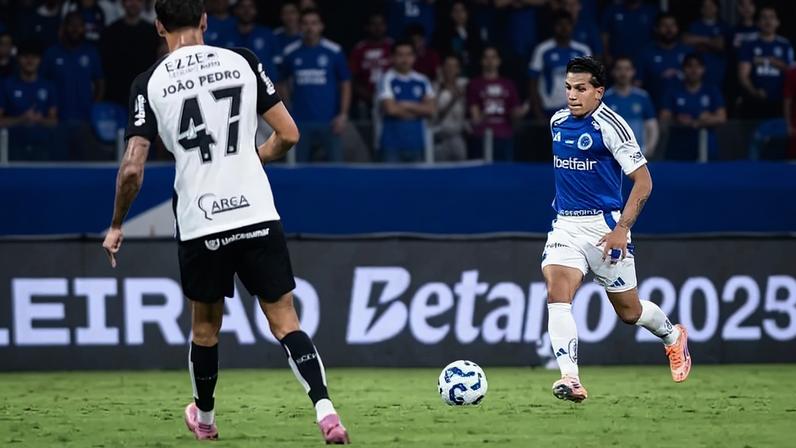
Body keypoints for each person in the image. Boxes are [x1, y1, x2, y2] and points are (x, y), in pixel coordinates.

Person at [101, 0, 349, 443]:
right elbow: (289, 134)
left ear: (158, 26)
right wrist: (251, 160)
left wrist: (117, 223)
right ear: (204, 20)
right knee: (285, 321)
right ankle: (326, 412)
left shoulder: (148, 82)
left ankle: (206, 420)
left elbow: (133, 169)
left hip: (202, 221)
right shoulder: (242, 61)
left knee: (205, 329)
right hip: (256, 211)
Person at [542, 56, 691, 403]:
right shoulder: (557, 122)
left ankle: (672, 336)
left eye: (581, 88)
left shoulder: (612, 126)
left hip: (606, 228)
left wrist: (621, 229)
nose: (572, 95)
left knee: (629, 312)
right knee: (557, 292)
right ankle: (570, 379)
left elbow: (644, 182)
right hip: (566, 226)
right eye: (568, 88)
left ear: (598, 91)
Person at [278, 8, 351, 162]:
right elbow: (281, 82)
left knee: (336, 168)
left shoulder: (334, 51)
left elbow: (345, 83)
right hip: (300, 122)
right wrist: (287, 111)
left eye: (314, 23)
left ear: (321, 26)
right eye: (305, 23)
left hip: (330, 121)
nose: (310, 27)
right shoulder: (290, 52)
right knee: (299, 168)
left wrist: (343, 114)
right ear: (300, 26)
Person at [376, 39, 435, 162]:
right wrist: (419, 111)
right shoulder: (386, 79)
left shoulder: (422, 80)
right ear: (392, 57)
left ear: (414, 57)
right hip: (391, 146)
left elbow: (431, 110)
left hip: (417, 144)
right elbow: (391, 109)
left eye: (408, 55)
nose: (405, 59)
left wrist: (405, 104)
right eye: (400, 55)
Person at [659, 54, 726, 160]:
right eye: (689, 66)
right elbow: (664, 117)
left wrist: (701, 121)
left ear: (703, 69)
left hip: (707, 146)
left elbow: (722, 117)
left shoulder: (711, 90)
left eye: (698, 66)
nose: (694, 70)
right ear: (683, 69)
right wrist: (677, 119)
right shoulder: (673, 90)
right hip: (678, 146)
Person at [528, 11, 590, 119]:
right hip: (549, 108)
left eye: (567, 24)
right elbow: (532, 81)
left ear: (572, 26)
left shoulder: (583, 51)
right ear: (553, 26)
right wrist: (537, 110)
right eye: (560, 24)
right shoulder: (542, 50)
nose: (564, 28)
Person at [467, 46, 525, 161]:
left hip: (504, 135)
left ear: (499, 61)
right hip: (482, 136)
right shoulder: (474, 84)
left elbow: (515, 112)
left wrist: (521, 112)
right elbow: (475, 117)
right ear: (481, 61)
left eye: (493, 57)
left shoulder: (508, 84)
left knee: (505, 170)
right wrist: (483, 115)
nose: (490, 61)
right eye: (486, 57)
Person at [99, 0, 160, 107]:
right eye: (129, 0)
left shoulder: (152, 33)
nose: (133, 3)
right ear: (122, 3)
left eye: (138, 1)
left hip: (144, 96)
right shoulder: (110, 32)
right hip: (115, 96)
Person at [738, 6, 794, 119]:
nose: (768, 21)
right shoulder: (749, 45)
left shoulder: (785, 45)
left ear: (777, 22)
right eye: (764, 17)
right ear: (758, 23)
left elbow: (791, 72)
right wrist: (754, 92)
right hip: (753, 102)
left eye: (772, 17)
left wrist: (774, 62)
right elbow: (743, 76)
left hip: (780, 102)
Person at [604, 57, 658, 156]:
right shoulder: (605, 98)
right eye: (619, 69)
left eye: (627, 69)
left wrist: (649, 149)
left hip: (638, 154)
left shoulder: (642, 97)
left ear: (633, 72)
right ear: (613, 72)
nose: (623, 73)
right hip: (612, 155)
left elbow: (652, 126)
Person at [637, 13, 692, 110]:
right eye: (664, 25)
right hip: (654, 106)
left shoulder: (688, 52)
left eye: (672, 25)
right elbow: (638, 84)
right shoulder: (646, 53)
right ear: (656, 28)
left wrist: (679, 74)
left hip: (686, 109)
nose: (669, 29)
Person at [349, 12, 393, 117]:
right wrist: (370, 96)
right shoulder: (359, 49)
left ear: (386, 26)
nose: (378, 28)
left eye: (381, 24)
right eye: (374, 24)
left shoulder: (392, 46)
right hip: (365, 99)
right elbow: (351, 79)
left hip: (391, 98)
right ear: (367, 27)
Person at [683, 0, 729, 88]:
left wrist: (698, 41)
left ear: (717, 8)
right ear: (701, 9)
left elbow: (720, 45)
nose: (708, 9)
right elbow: (686, 40)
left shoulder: (723, 26)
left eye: (711, 6)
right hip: (696, 71)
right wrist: (709, 40)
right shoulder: (694, 25)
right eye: (705, 6)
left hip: (717, 70)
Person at [433, 54, 467, 161]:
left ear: (458, 69)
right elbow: (435, 115)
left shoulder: (465, 84)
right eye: (447, 66)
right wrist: (452, 100)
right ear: (442, 68)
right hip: (440, 137)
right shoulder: (434, 87)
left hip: (458, 136)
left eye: (454, 66)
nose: (450, 69)